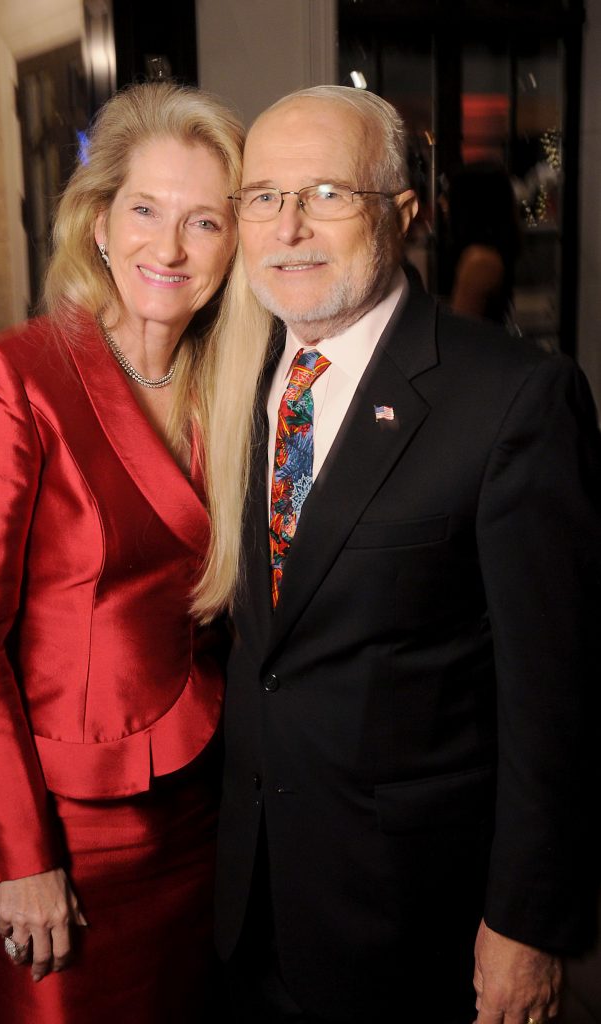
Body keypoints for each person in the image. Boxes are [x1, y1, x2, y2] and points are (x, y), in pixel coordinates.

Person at [209, 85, 601, 1024]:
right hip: (243, 887)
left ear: (403, 211)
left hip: (408, 916)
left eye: (327, 194)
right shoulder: (235, 377)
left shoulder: (514, 400)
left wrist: (526, 924)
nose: (288, 225)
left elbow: (558, 696)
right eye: (261, 196)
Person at [0, 81, 244, 1023]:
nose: (170, 248)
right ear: (98, 223)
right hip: (65, 820)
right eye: (144, 210)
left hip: (204, 807)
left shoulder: (233, 384)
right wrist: (19, 857)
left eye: (204, 222)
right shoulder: (16, 377)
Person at [443, 160, 520, 325]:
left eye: (450, 197)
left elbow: (461, 328)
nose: (444, 205)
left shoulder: (479, 260)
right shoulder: (490, 252)